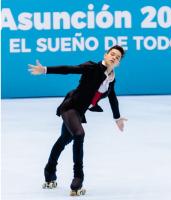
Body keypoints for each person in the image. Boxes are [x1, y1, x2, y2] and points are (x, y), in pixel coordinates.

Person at [28, 45, 128, 194]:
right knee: (79, 134)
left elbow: (112, 97)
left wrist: (117, 117)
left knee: (64, 139)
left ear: (118, 63)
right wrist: (45, 70)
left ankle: (49, 173)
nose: (114, 57)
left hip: (79, 112)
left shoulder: (111, 78)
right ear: (105, 55)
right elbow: (69, 69)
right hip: (70, 107)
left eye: (117, 57)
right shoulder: (92, 67)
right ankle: (78, 178)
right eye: (112, 54)